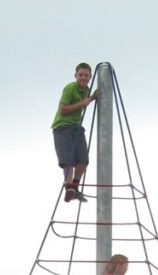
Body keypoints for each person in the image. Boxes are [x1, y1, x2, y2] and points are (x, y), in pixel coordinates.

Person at [52, 63, 97, 203]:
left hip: (76, 127)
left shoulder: (87, 90)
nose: (83, 78)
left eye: (86, 75)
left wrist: (93, 97)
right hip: (62, 127)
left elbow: (87, 100)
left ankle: (74, 187)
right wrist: (83, 103)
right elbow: (63, 109)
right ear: (75, 76)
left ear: (90, 77)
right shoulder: (71, 88)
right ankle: (69, 187)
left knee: (83, 160)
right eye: (80, 75)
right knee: (68, 161)